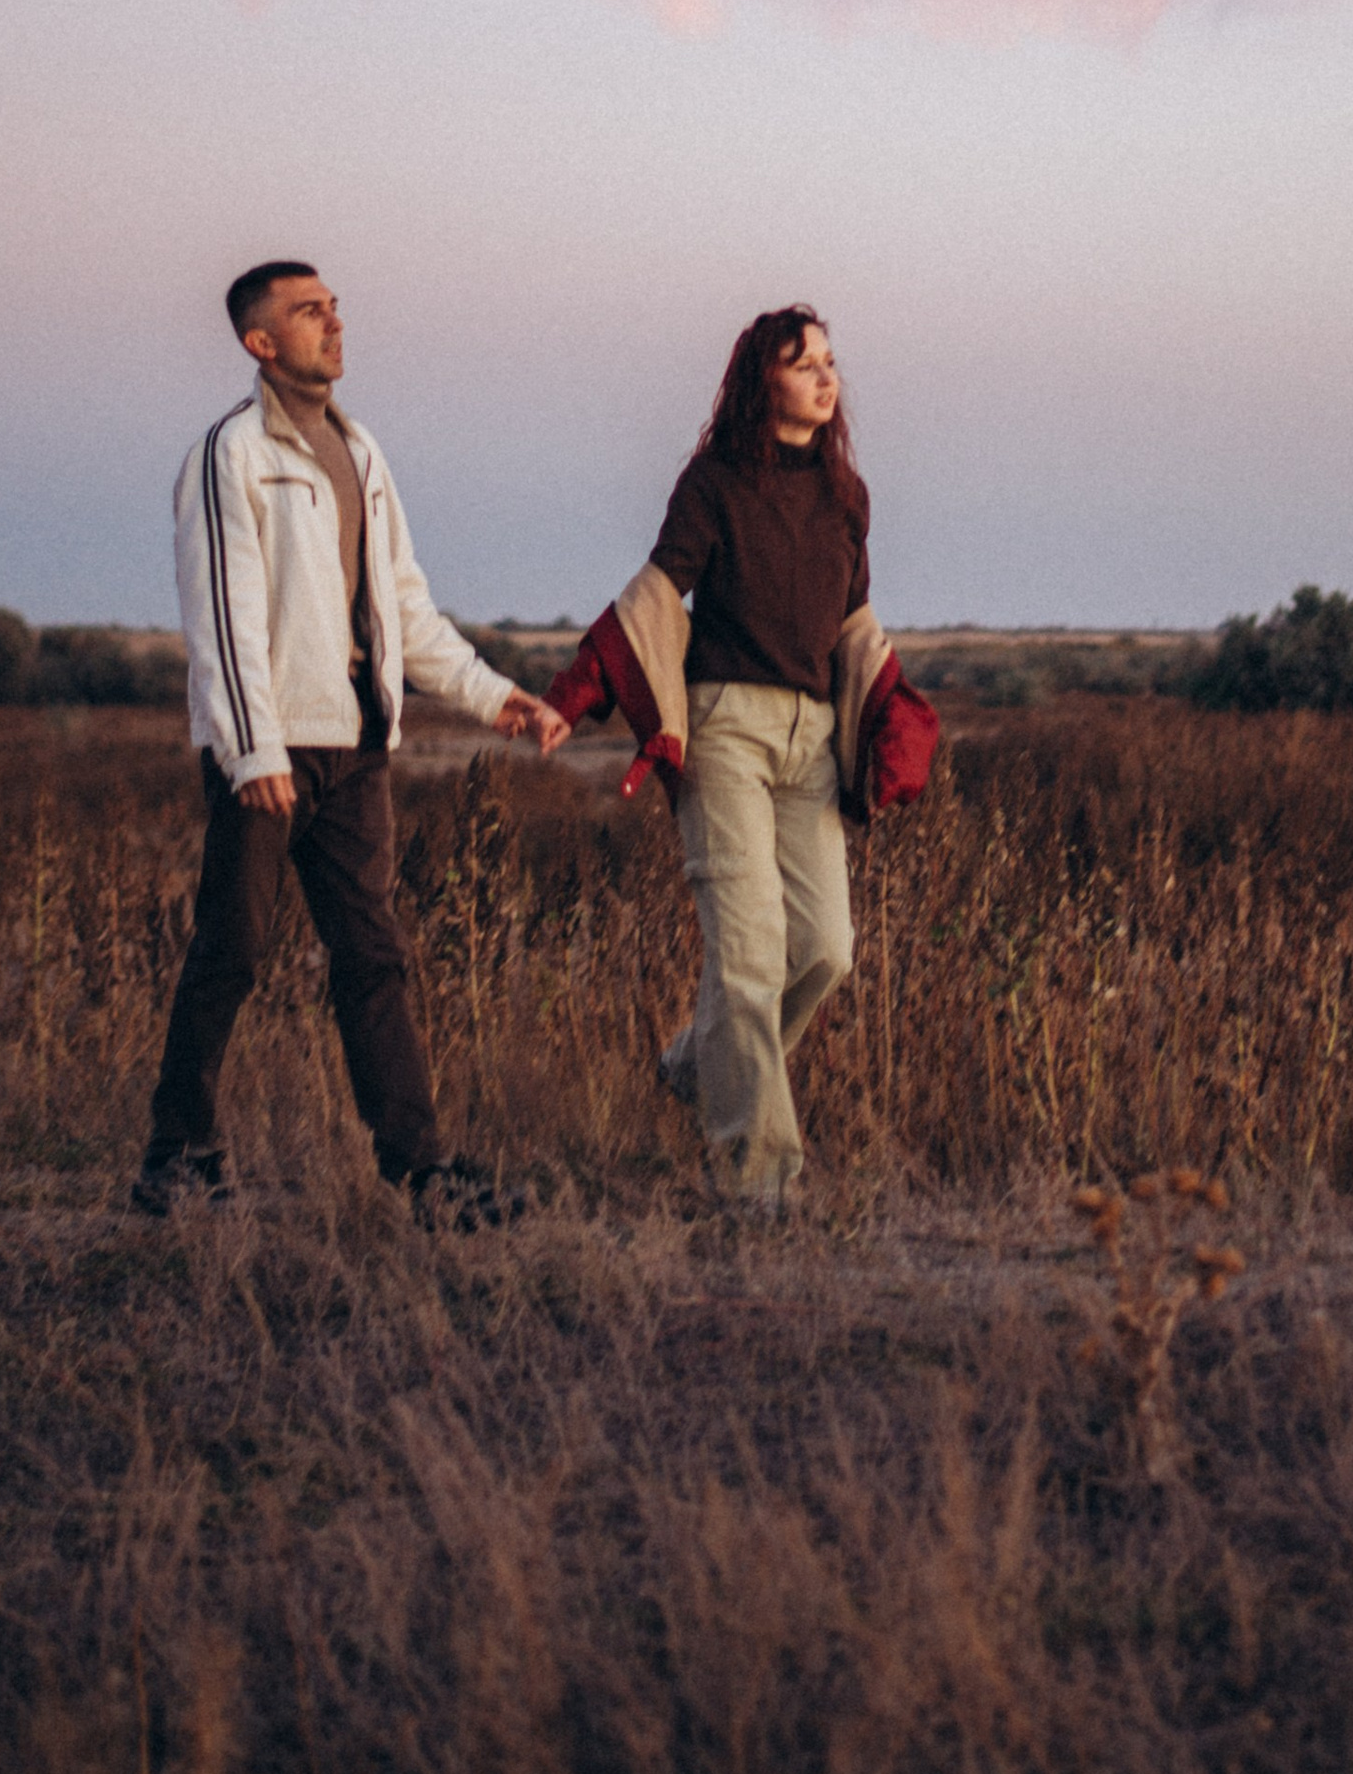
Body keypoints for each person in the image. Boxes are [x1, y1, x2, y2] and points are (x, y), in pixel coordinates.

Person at [134, 259, 557, 1223]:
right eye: (309, 310)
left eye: (333, 305)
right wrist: (252, 752)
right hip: (273, 758)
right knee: (231, 950)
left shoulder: (359, 452)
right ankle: (176, 1153)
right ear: (261, 341)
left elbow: (403, 604)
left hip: (358, 751)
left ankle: (421, 1175)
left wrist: (496, 699)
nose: (334, 320)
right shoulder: (229, 455)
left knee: (374, 956)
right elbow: (222, 612)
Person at [547, 306, 938, 1213]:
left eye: (832, 361)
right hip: (724, 728)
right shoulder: (715, 479)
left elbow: (854, 624)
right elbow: (657, 591)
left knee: (826, 949)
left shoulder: (848, 494)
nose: (824, 375)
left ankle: (694, 1061)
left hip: (811, 742)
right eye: (803, 362)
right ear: (764, 378)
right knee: (751, 953)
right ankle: (761, 1176)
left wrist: (892, 718)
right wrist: (575, 693)